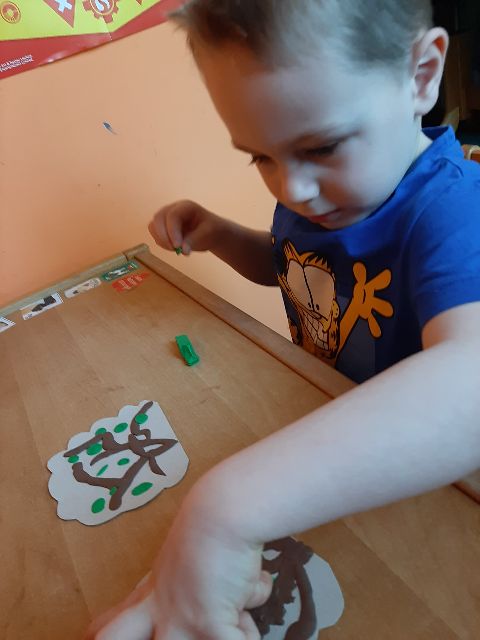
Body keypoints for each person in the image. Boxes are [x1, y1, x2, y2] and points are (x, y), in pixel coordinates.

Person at [86, 1, 480, 638]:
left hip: (433, 488)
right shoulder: (322, 196)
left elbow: (470, 383)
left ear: (421, 75)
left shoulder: (452, 212)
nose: (291, 189)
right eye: (258, 158)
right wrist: (221, 236)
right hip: (328, 448)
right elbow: (291, 271)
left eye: (321, 147)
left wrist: (223, 511)